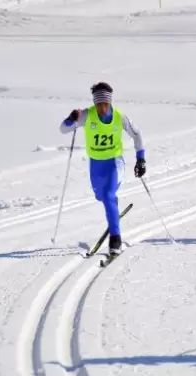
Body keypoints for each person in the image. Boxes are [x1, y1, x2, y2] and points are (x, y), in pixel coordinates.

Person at [59, 82, 147, 257]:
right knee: (101, 196)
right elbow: (63, 129)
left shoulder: (120, 118)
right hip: (96, 164)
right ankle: (112, 208)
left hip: (115, 162)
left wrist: (141, 159)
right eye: (99, 105)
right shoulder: (86, 115)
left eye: (105, 104)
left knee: (107, 195)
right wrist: (71, 118)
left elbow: (137, 135)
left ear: (110, 103)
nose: (102, 108)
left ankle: (115, 239)